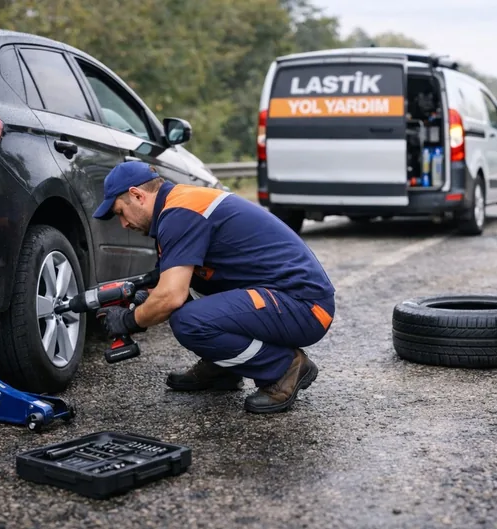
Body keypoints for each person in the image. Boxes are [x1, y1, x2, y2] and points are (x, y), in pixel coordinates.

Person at [92, 161, 335, 414]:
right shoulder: (178, 206)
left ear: (137, 195)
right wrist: (143, 298)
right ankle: (224, 368)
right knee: (192, 291)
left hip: (305, 306)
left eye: (120, 212)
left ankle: (284, 368)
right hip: (285, 298)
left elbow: (171, 297)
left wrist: (130, 319)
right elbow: (170, 285)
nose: (123, 223)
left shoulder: (180, 213)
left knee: (189, 321)